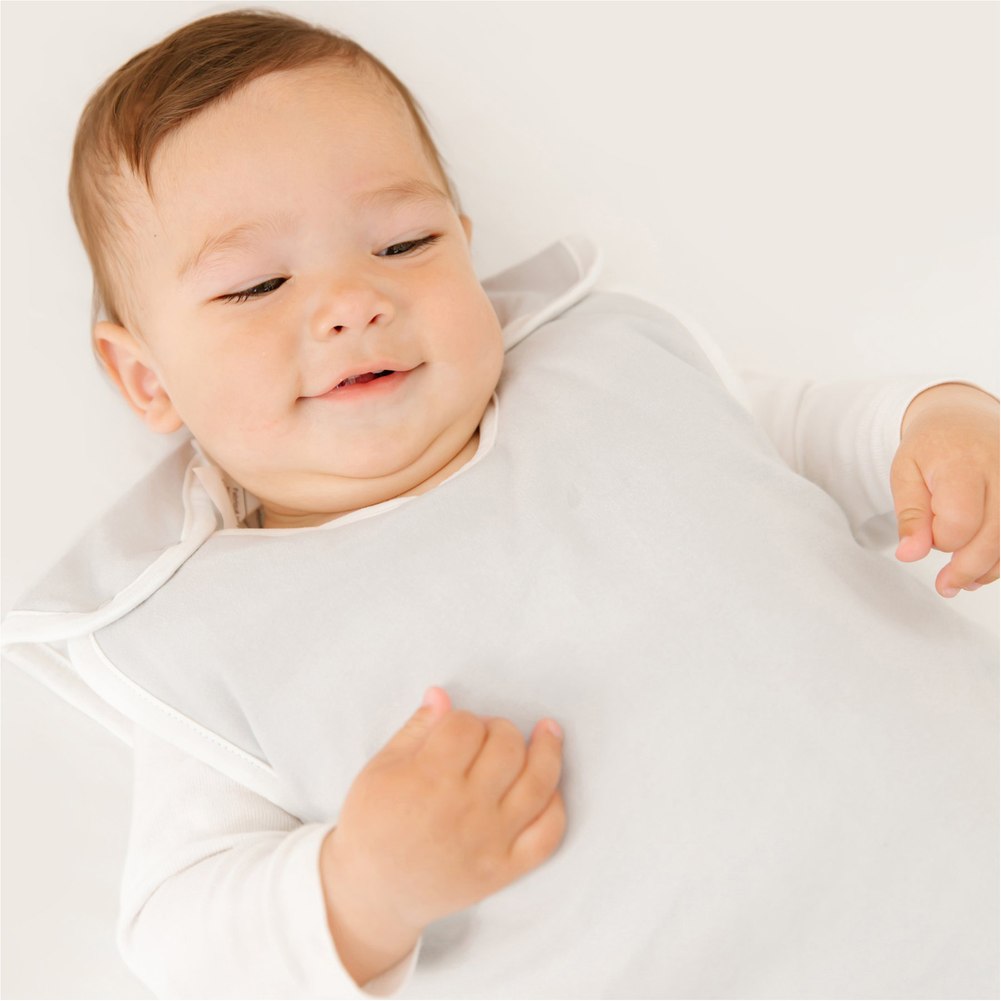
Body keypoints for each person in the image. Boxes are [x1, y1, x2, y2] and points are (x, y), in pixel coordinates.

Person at [2, 9, 997, 999]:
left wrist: (935, 421)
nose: (350, 300)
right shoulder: (218, 634)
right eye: (257, 284)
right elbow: (180, 935)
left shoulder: (607, 371)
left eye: (403, 242)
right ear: (146, 378)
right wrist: (360, 886)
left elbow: (806, 433)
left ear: (465, 249)